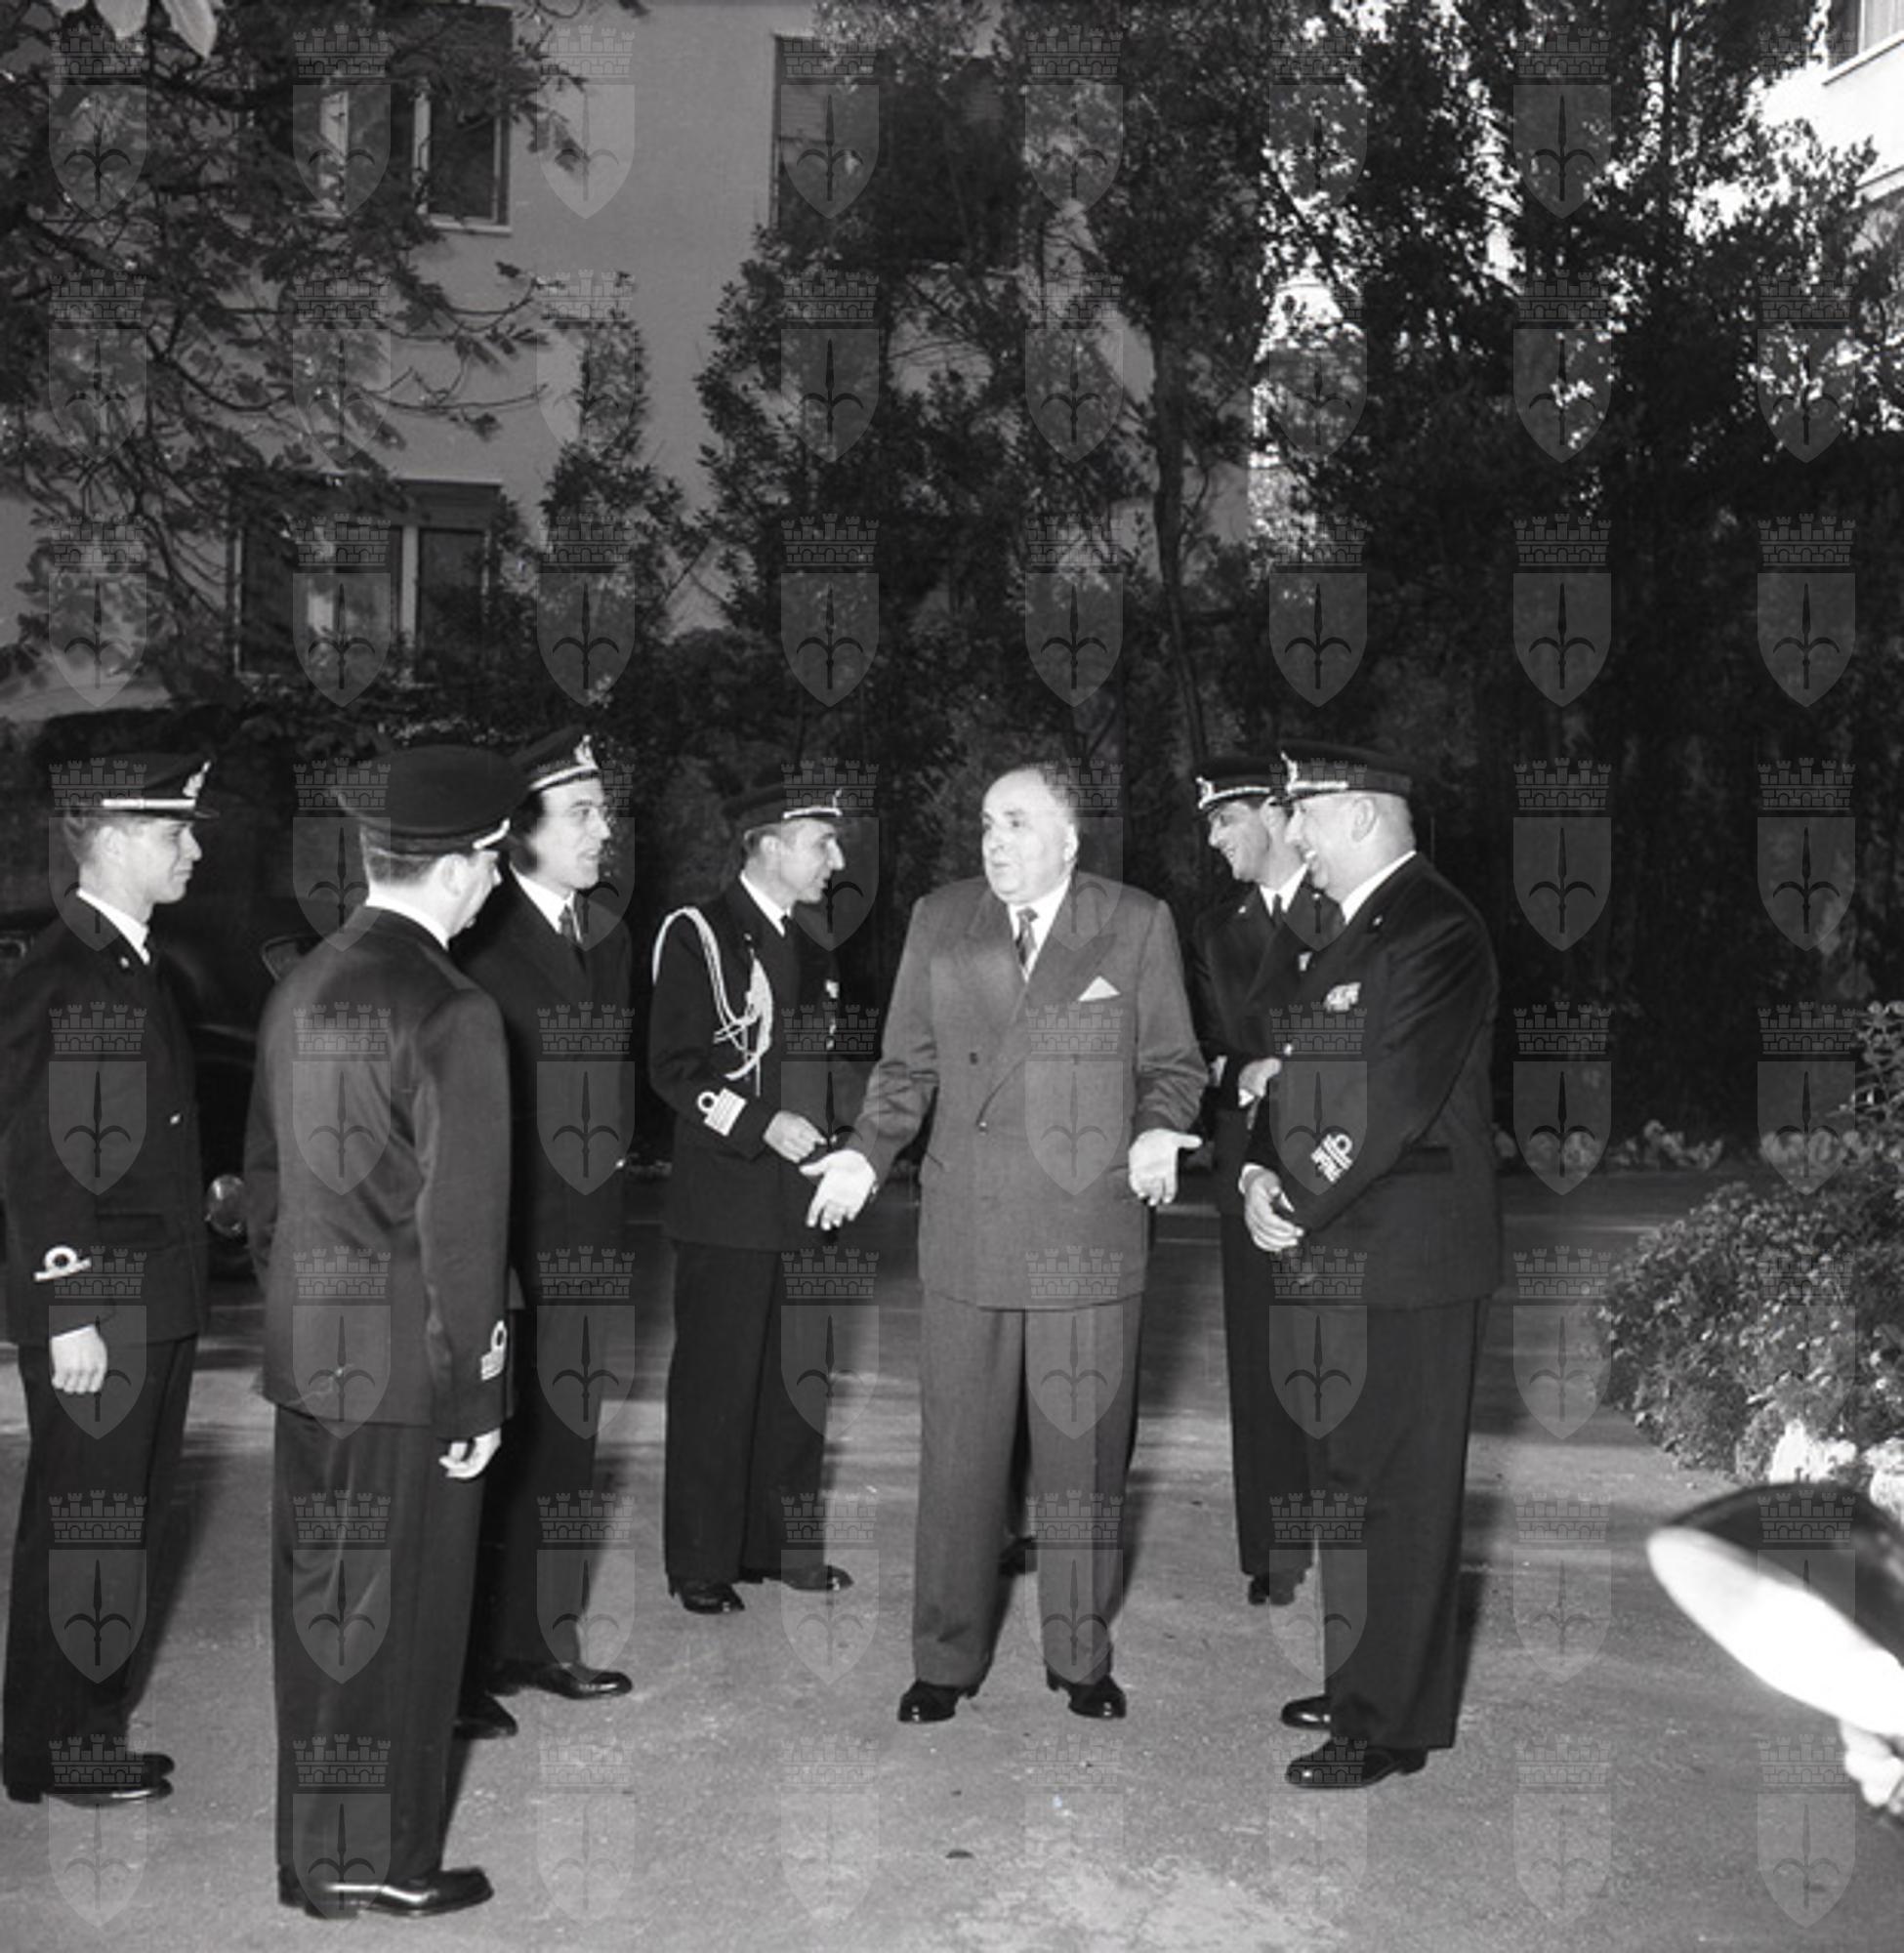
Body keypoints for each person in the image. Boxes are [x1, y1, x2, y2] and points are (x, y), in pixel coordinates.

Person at [804, 763, 1205, 1724]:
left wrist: (1159, 1128)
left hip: (1087, 1229)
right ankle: (944, 1658)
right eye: (987, 822)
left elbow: (1173, 1065)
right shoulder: (943, 919)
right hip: (970, 1228)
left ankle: (1078, 1654)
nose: (995, 841)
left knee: (1083, 1461)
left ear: (1069, 839)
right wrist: (865, 1154)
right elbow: (907, 1066)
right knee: (959, 1461)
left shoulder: (1134, 922)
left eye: (1018, 823)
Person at [246, 745, 523, 1917]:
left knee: (324, 1612)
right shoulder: (453, 1008)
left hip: (312, 1358)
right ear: (457, 867)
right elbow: (461, 1234)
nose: (497, 882)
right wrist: (476, 1395)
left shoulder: (302, 981)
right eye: (494, 860)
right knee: (406, 1624)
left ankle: (315, 1854)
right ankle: (384, 1860)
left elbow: (266, 1186)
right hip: (409, 1374)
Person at [1241, 743, 1500, 1790]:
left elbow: (1388, 1098)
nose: (1293, 833)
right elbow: (1288, 1074)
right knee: (1350, 1485)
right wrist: (1259, 1170)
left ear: (1359, 815)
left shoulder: (1437, 928)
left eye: (1304, 813)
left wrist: (1293, 1193)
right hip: (1345, 1246)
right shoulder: (1344, 930)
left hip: (1407, 1257)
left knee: (1399, 1493)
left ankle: (1384, 1723)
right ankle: (1366, 1681)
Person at [1, 754, 215, 1807]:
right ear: (117, 838)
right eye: (176, 831)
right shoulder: (62, 975)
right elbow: (35, 1158)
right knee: (88, 1520)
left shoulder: (129, 962)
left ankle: (83, 1728)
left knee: (120, 1520)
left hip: (152, 1295)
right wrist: (69, 1307)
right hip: (103, 1308)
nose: (194, 850)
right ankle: (55, 1747)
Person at [456, 729, 633, 1735]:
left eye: (604, 810)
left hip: (589, 1239)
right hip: (505, 1240)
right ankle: (465, 1661)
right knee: (489, 1445)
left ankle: (539, 1637)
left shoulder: (605, 937)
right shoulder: (475, 940)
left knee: (568, 1444)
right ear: (520, 831)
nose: (604, 829)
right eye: (582, 812)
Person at [647, 777, 850, 1615]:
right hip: (727, 1200)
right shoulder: (697, 935)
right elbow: (673, 1069)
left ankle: (784, 1547)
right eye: (821, 843)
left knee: (798, 1381)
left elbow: (825, 1076)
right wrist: (761, 1125)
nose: (836, 860)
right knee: (716, 1385)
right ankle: (702, 1559)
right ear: (768, 844)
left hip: (803, 1201)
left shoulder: (814, 946)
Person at [1184, 753, 1340, 1611]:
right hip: (1249, 1159)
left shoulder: (1343, 902)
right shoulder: (1217, 930)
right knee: (1261, 1358)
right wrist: (1245, 1073)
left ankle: (1354, 1533)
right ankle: (1272, 1550)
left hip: (1340, 1155)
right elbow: (1202, 1046)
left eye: (1225, 820)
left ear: (1277, 813)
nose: (1214, 840)